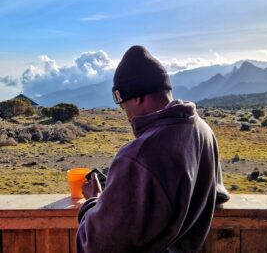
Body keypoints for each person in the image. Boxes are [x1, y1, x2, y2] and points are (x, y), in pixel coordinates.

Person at [76, 45, 229, 253]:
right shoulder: (203, 131)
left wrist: (93, 202)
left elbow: (96, 246)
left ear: (137, 97)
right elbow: (217, 195)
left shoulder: (140, 156)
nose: (127, 116)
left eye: (124, 107)